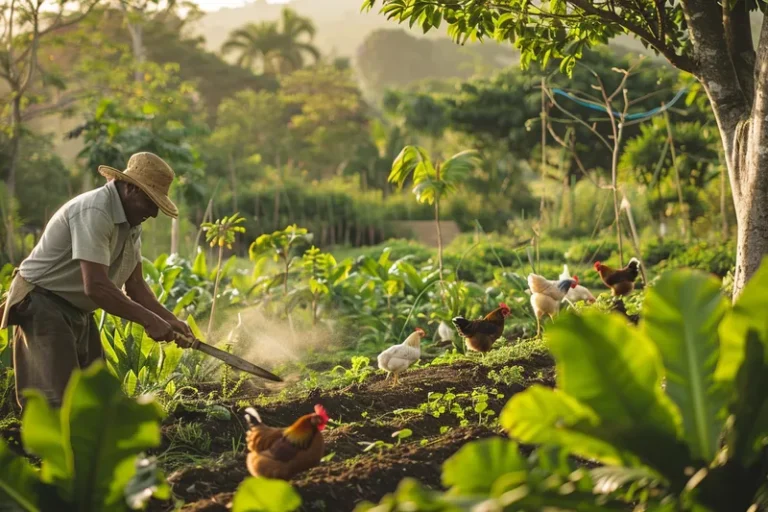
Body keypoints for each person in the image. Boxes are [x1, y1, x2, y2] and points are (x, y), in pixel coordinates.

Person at [0, 152, 195, 409]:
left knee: (97, 399)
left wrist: (170, 319)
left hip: (77, 310)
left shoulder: (131, 222)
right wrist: (149, 320)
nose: (154, 213)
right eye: (150, 202)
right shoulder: (96, 211)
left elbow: (135, 285)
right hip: (43, 303)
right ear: (131, 188)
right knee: (59, 403)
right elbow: (97, 287)